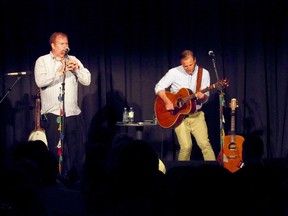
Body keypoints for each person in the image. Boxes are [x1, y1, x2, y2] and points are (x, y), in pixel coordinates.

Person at [34, 32, 91, 181]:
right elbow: (40, 82)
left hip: (73, 114)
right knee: (55, 150)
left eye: (67, 44)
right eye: (62, 44)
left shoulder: (73, 60)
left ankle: (77, 182)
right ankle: (56, 181)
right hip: (53, 115)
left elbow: (87, 81)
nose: (66, 47)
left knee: (77, 152)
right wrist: (59, 72)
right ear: (53, 45)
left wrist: (77, 69)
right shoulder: (43, 61)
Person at [154, 49, 216, 161]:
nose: (188, 68)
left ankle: (214, 172)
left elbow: (205, 98)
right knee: (186, 147)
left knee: (205, 145)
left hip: (196, 114)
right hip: (178, 116)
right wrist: (168, 102)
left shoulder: (204, 73)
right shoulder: (174, 72)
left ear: (195, 60)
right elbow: (158, 87)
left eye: (190, 65)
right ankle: (181, 173)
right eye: (185, 66)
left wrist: (202, 97)